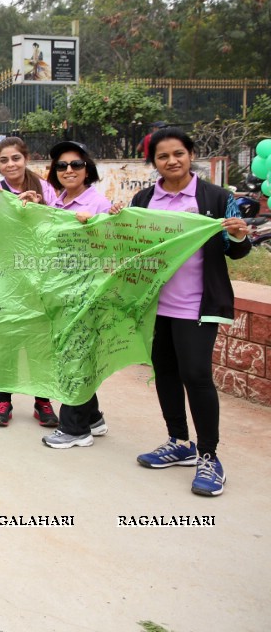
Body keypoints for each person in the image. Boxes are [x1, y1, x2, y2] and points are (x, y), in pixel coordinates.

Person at [128, 127, 250, 496]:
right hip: (157, 305)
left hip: (197, 304)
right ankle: (179, 441)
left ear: (190, 154)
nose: (172, 161)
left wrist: (240, 235)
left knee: (196, 375)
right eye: (163, 157)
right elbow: (132, 245)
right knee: (165, 372)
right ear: (154, 163)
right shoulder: (145, 199)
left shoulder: (215, 197)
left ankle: (209, 456)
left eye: (178, 153)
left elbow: (236, 251)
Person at [0, 136, 59, 428]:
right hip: (1, 276)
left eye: (15, 158)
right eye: (3, 160)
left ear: (26, 159)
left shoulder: (45, 188)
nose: (10, 164)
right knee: (5, 342)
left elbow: (57, 229)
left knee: (39, 342)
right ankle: (3, 401)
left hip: (38, 276)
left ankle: (43, 401)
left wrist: (38, 208)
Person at [40, 141, 114, 448]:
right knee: (74, 355)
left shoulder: (98, 204)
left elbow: (112, 250)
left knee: (75, 357)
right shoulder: (58, 202)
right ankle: (93, 418)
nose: (68, 170)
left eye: (76, 165)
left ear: (88, 170)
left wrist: (93, 227)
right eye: (61, 166)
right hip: (63, 293)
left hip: (87, 295)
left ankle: (74, 429)